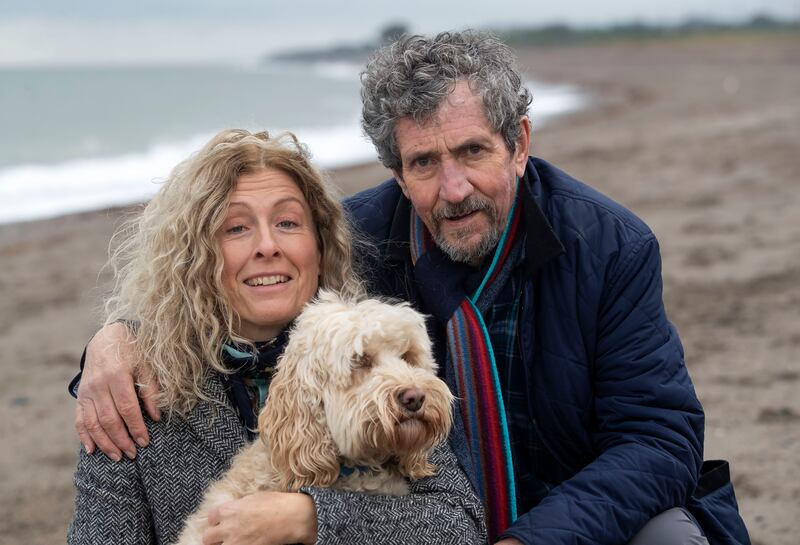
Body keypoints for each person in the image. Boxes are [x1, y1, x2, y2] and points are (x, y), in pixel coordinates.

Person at [72, 32, 751, 545]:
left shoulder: (611, 246)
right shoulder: (355, 242)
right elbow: (230, 269)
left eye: (473, 152)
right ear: (396, 169)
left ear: (518, 142)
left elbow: (660, 440)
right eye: (424, 162)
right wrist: (119, 334)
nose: (453, 189)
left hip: (579, 516)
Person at [67, 128, 485, 544]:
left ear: (320, 248)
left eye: (288, 222)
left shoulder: (380, 353)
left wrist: (313, 518)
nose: (268, 245)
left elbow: (460, 526)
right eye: (236, 228)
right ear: (195, 257)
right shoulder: (128, 387)